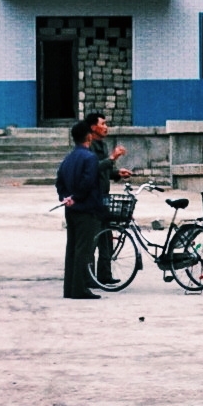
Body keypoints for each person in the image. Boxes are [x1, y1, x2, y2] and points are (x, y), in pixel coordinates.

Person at [54, 120, 103, 300]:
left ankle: (70, 288)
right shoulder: (90, 158)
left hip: (71, 209)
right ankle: (80, 288)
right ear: (89, 136)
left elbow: (59, 182)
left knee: (72, 248)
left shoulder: (69, 158)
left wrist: (66, 197)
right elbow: (87, 183)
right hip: (86, 208)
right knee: (84, 249)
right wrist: (76, 197)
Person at [86, 113, 129, 287]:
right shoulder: (88, 147)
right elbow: (93, 169)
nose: (106, 127)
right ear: (93, 127)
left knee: (106, 236)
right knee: (93, 237)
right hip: (93, 198)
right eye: (102, 124)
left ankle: (104, 274)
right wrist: (112, 158)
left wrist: (117, 173)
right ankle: (89, 277)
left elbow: (104, 171)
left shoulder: (102, 145)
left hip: (104, 197)